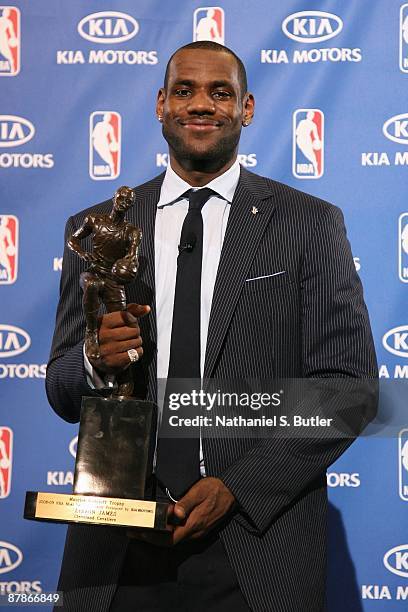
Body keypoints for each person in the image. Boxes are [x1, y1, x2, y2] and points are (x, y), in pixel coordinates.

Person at [46, 41, 377, 612]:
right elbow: (59, 387)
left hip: (255, 543)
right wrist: (94, 361)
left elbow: (348, 389)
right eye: (185, 90)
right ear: (160, 104)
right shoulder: (100, 230)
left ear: (246, 108)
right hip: (118, 545)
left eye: (220, 92)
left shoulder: (308, 223)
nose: (202, 104)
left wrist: (238, 488)